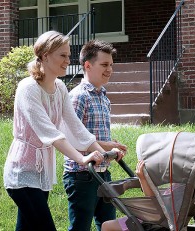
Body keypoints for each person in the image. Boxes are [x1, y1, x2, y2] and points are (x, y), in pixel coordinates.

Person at [3, 31, 118, 231]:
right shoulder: (28, 88)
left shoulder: (60, 88)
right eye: (62, 55)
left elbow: (75, 126)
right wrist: (82, 159)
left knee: (27, 227)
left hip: (42, 173)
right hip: (21, 173)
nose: (68, 60)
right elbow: (50, 133)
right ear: (45, 55)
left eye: (68, 55)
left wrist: (100, 151)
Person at [63, 39, 128, 231]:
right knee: (80, 227)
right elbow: (69, 139)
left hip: (103, 173)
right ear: (88, 65)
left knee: (108, 225)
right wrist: (106, 146)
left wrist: (113, 148)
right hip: (81, 175)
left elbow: (97, 133)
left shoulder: (102, 96)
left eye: (111, 65)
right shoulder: (78, 96)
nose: (109, 69)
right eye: (105, 65)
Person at [101, 160, 154, 231]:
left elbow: (153, 201)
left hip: (154, 221)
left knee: (107, 226)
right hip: (158, 217)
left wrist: (142, 179)